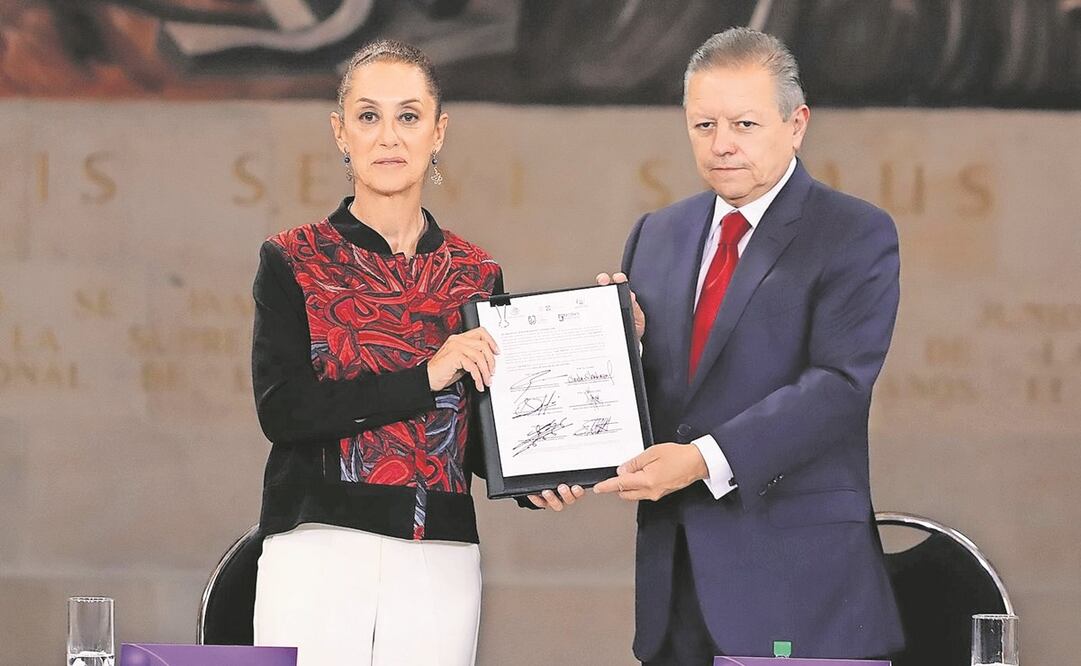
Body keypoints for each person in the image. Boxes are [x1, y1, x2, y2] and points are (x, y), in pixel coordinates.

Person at [586, 27, 906, 664]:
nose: (722, 144)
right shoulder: (657, 234)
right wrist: (618, 350)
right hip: (674, 586)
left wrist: (703, 460)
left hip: (798, 586)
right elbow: (659, 399)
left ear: (797, 124)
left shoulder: (853, 233)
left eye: (744, 124)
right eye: (703, 125)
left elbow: (839, 386)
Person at [249, 40, 509, 666]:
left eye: (409, 116)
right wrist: (428, 374)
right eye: (369, 116)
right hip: (317, 550)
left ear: (438, 131)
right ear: (341, 132)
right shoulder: (294, 258)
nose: (388, 136)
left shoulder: (477, 273)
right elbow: (283, 411)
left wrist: (540, 477)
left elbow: (479, 433)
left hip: (443, 562)